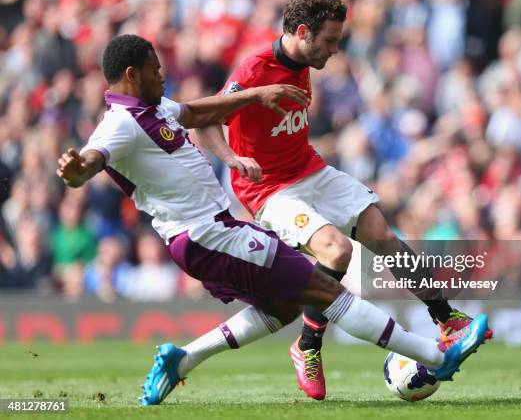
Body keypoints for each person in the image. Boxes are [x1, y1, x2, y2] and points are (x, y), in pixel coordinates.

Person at [56, 34, 489, 406]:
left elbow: (198, 112)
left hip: (209, 234)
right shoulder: (119, 124)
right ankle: (437, 355)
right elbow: (93, 159)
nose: (162, 75)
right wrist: (79, 170)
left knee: (282, 308)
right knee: (324, 290)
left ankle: (184, 358)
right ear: (131, 75)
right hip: (210, 235)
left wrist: (256, 97)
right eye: (155, 70)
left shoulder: (155, 108)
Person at [197, 0, 493, 400]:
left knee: (379, 233)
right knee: (336, 252)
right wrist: (230, 157)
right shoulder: (252, 71)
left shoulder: (301, 60)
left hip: (309, 168)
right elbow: (204, 119)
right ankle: (307, 347)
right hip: (268, 188)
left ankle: (446, 318)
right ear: (302, 32)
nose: (336, 50)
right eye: (330, 41)